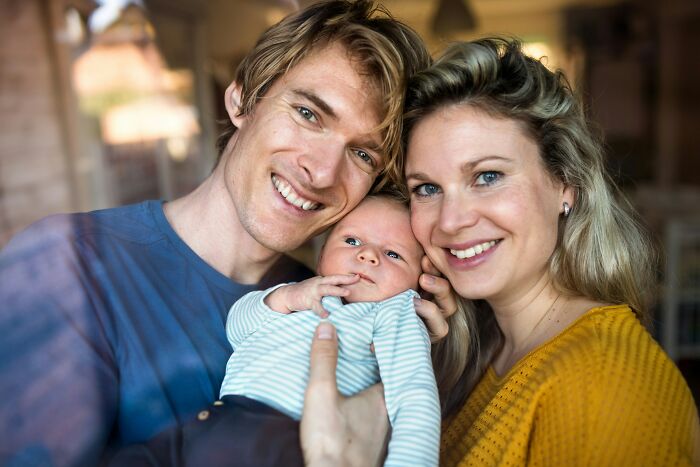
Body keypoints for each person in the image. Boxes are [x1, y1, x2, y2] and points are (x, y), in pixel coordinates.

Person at [0, 2, 442, 466]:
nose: (321, 171)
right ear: (241, 100)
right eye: (309, 114)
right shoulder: (66, 265)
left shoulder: (330, 299)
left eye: (363, 155)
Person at [399, 37, 700, 465]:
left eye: (486, 176)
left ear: (565, 183)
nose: (450, 221)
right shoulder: (489, 350)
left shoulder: (602, 384)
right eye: (427, 188)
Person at [111, 194, 441, 466]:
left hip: (282, 438)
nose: (367, 255)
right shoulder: (301, 294)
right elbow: (236, 329)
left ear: (418, 284)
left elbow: (416, 400)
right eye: (352, 240)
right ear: (322, 256)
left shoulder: (396, 312)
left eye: (393, 254)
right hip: (215, 419)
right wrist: (284, 298)